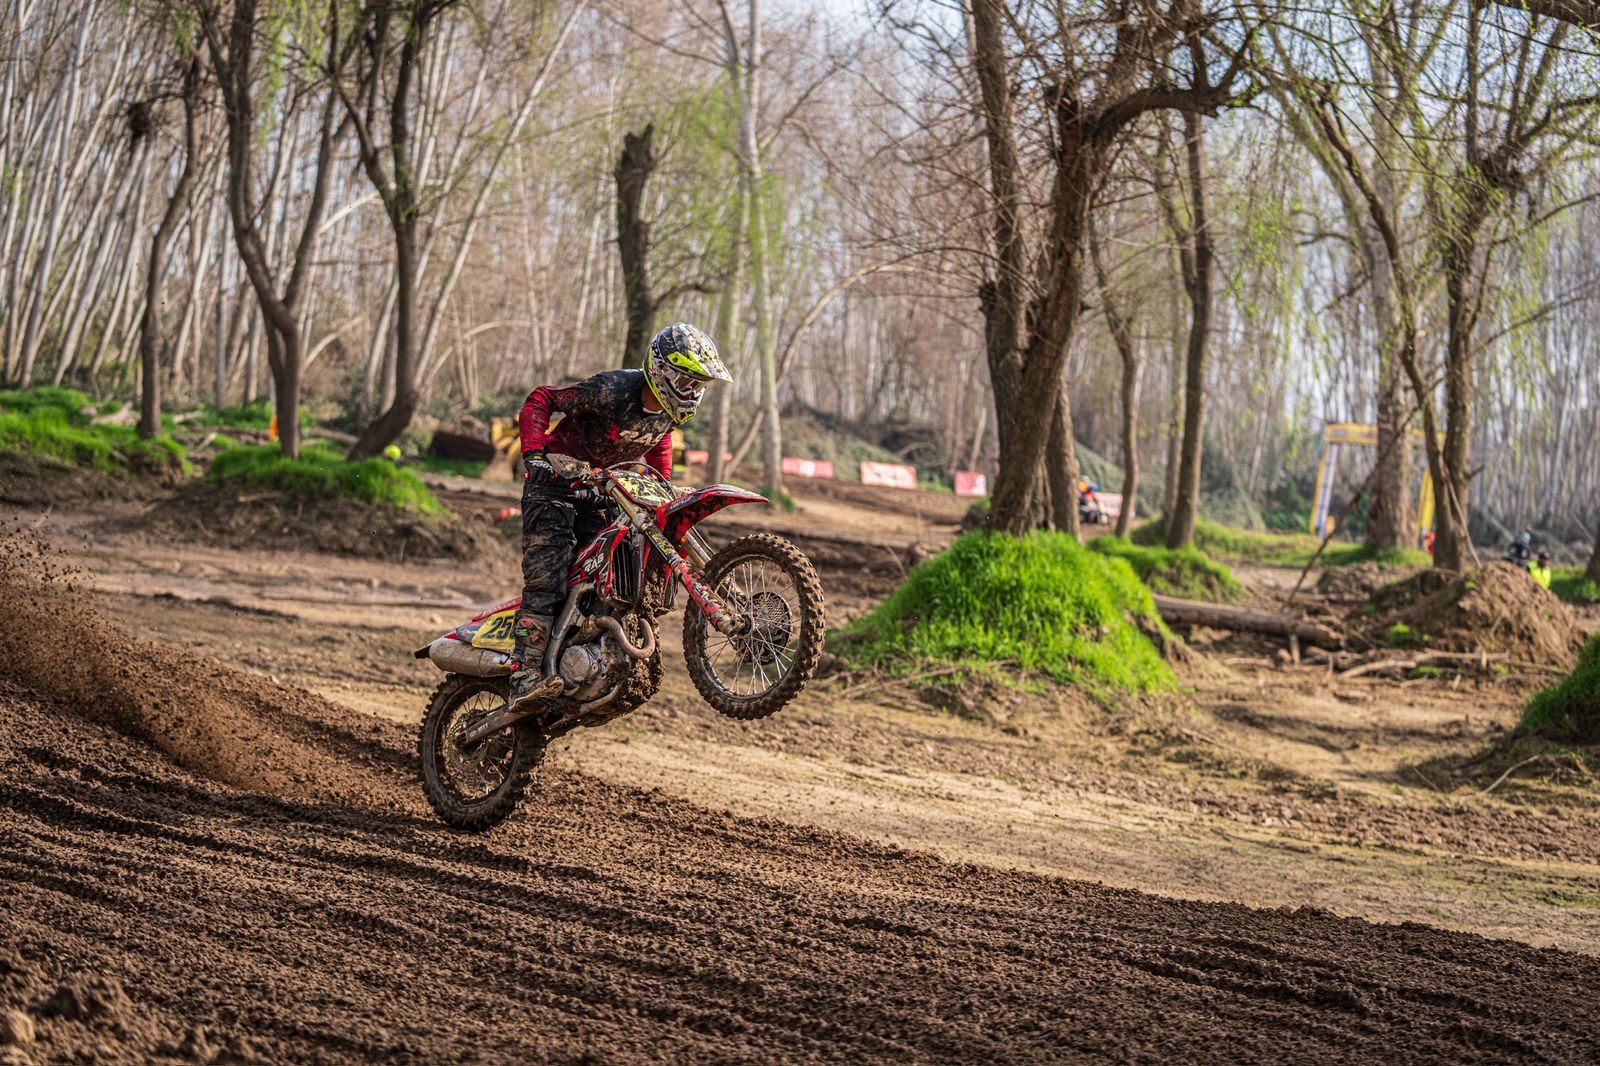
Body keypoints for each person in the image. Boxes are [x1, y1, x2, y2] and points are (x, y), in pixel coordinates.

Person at [507, 322, 731, 710]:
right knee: (549, 576)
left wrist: (662, 487)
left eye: (700, 385)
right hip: (555, 486)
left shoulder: (668, 413)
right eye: (688, 381)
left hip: (603, 492)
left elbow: (658, 442)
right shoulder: (611, 389)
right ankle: (523, 675)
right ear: (663, 371)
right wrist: (534, 455)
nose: (693, 392)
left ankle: (582, 656)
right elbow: (542, 398)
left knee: (614, 575)